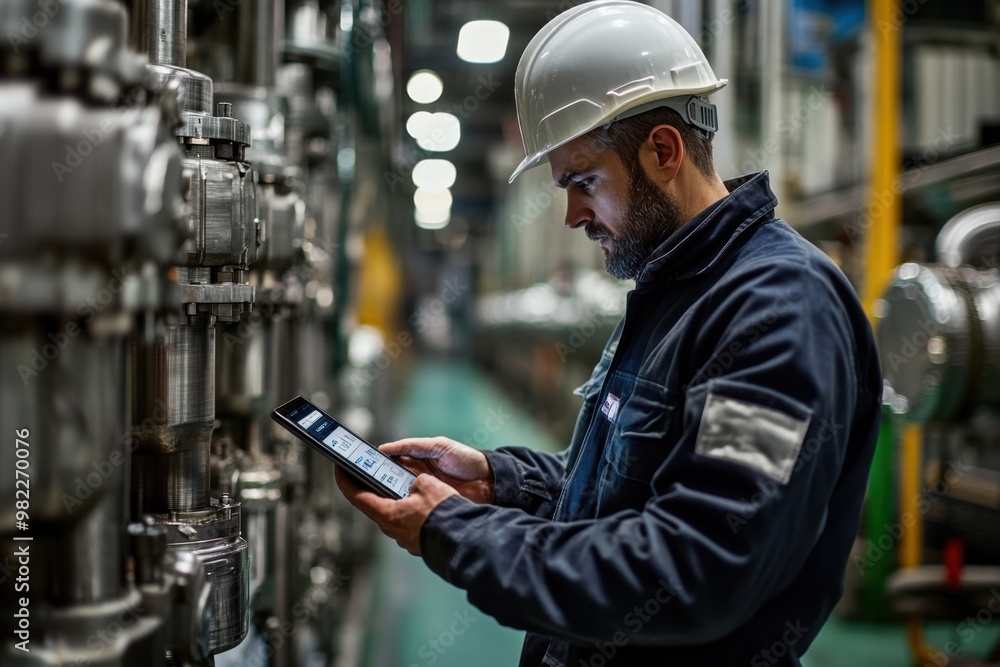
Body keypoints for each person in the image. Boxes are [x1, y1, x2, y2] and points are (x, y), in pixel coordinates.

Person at [335, 2, 882, 665]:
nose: (571, 215)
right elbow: (633, 486)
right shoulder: (675, 294)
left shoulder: (776, 309)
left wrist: (458, 531)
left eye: (583, 181)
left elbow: (697, 566)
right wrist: (499, 482)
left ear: (662, 151)